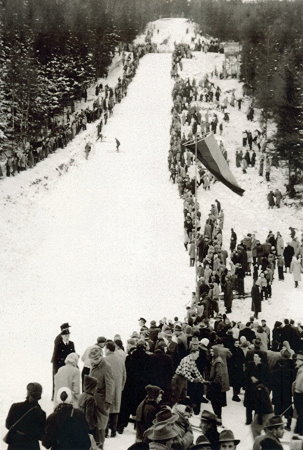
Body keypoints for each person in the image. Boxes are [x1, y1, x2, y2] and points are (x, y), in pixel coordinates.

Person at [5, 382, 46, 450]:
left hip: (15, 445)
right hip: (32, 446)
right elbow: (41, 436)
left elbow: (8, 425)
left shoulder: (15, 407)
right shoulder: (41, 413)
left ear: (28, 393)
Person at [89, 346, 115, 449]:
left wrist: (108, 401)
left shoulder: (106, 366)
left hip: (102, 401)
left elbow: (110, 385)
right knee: (93, 426)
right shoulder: (94, 365)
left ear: (101, 356)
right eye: (92, 358)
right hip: (92, 399)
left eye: (96, 358)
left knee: (100, 427)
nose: (93, 360)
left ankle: (100, 447)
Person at [104, 340, 126, 438]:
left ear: (108, 349)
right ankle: (113, 431)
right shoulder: (120, 359)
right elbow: (125, 375)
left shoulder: (104, 360)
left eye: (105, 348)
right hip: (118, 388)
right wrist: (121, 386)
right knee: (116, 409)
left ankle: (105, 431)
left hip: (107, 388)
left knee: (106, 408)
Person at [51, 328, 75, 400]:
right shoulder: (59, 344)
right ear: (62, 336)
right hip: (60, 366)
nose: (67, 337)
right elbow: (56, 356)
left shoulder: (71, 344)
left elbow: (73, 354)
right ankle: (57, 396)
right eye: (65, 336)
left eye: (68, 335)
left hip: (69, 366)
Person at [78, 375, 98, 441]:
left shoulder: (82, 396)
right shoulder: (90, 399)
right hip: (88, 427)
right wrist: (92, 428)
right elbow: (89, 415)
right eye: (95, 386)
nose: (96, 388)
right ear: (91, 387)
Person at [293, 352, 303, 435]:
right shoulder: (300, 369)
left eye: (298, 360)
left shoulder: (301, 370)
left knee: (300, 413)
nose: (296, 362)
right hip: (299, 394)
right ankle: (299, 430)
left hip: (298, 393)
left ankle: (298, 429)